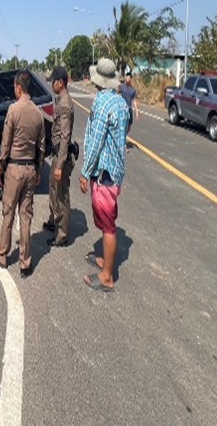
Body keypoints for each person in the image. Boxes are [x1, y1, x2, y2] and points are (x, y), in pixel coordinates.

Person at [0, 70, 45, 278]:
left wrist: (0, 164)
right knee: (26, 216)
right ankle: (25, 263)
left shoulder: (13, 110)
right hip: (30, 169)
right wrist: (38, 170)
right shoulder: (38, 113)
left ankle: (2, 255)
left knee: (8, 212)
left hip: (15, 169)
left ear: (19, 88)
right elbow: (41, 146)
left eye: (14, 87)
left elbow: (6, 142)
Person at [79, 58, 129, 292]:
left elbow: (96, 141)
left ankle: (107, 276)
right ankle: (104, 262)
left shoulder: (102, 103)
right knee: (106, 219)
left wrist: (85, 171)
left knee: (107, 224)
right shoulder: (120, 102)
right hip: (115, 170)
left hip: (104, 173)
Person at [43, 66, 75, 247]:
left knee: (61, 195)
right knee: (53, 190)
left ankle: (62, 234)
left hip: (61, 156)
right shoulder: (60, 101)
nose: (51, 84)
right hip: (57, 153)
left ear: (60, 82)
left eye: (53, 81)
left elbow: (65, 136)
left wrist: (60, 165)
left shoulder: (65, 105)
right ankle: (54, 221)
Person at [120, 71, 140, 135]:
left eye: (129, 78)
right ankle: (122, 137)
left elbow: (134, 101)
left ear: (131, 79)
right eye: (126, 77)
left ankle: (124, 136)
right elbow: (116, 93)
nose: (127, 79)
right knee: (122, 125)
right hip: (122, 108)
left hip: (129, 109)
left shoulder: (133, 89)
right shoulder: (121, 87)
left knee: (129, 126)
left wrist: (136, 112)